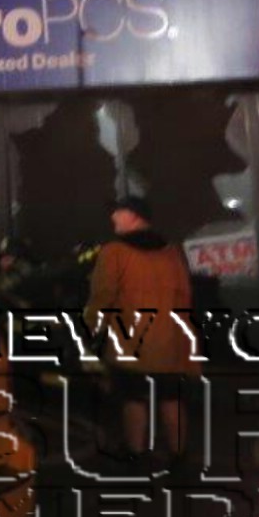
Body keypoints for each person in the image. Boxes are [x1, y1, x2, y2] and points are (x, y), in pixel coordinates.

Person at [84, 195, 200, 471]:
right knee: (171, 397)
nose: (113, 218)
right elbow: (185, 295)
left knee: (133, 398)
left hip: (131, 341)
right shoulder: (170, 251)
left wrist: (91, 328)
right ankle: (179, 456)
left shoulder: (114, 252)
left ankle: (136, 454)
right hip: (170, 339)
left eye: (118, 213)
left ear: (134, 216)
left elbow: (103, 296)